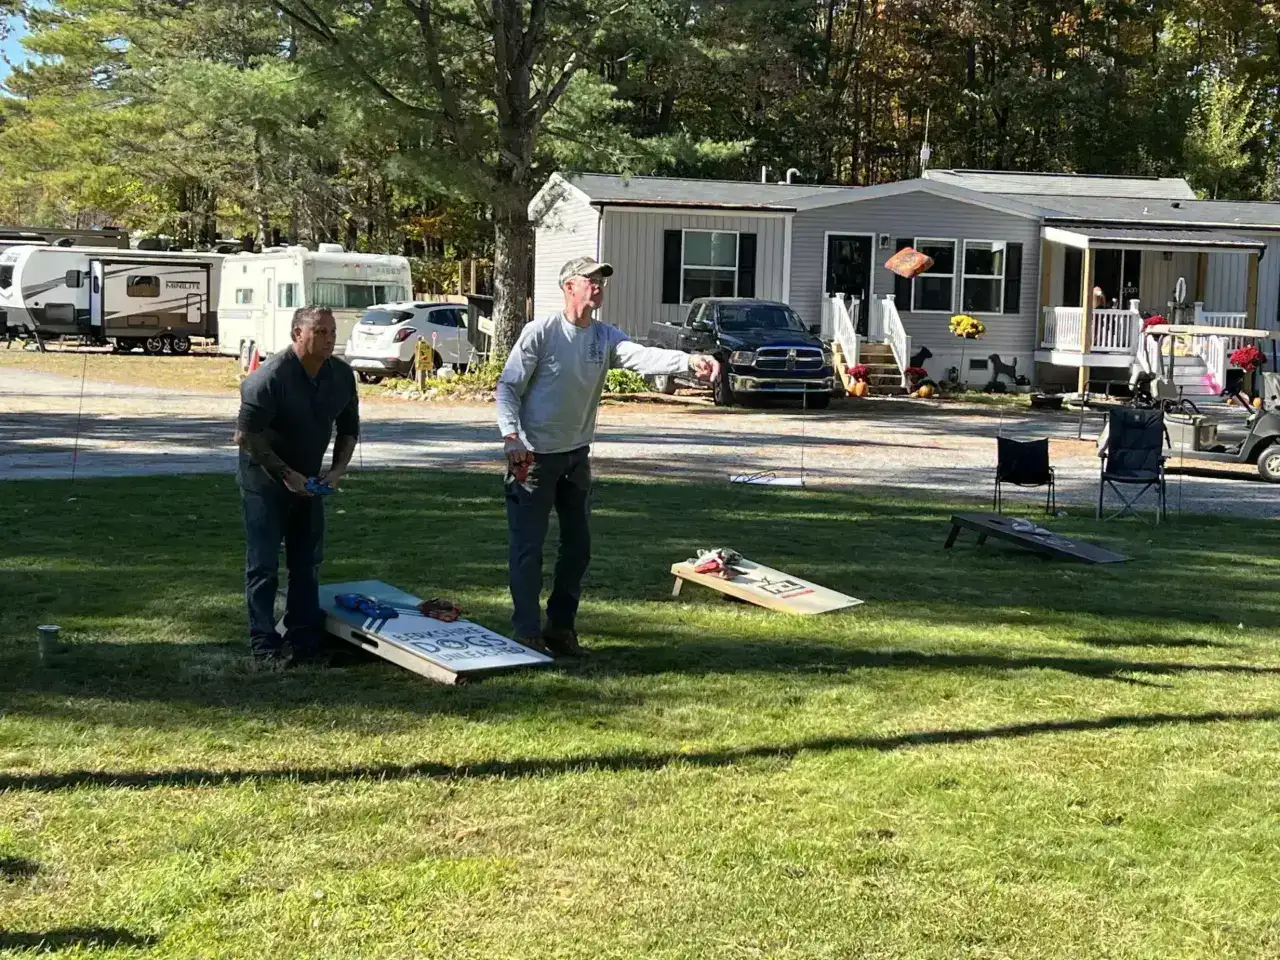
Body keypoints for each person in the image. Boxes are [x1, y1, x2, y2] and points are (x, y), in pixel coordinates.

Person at [497, 256, 718, 656]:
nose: (599, 286)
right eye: (591, 279)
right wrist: (511, 438)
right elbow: (509, 387)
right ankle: (527, 632)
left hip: (575, 458)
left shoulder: (604, 336)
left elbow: (642, 356)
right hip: (531, 459)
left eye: (602, 280)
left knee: (578, 547)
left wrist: (688, 361)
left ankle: (560, 629)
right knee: (528, 549)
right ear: (569, 286)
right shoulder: (541, 332)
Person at [235, 306, 359, 664]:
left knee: (307, 562)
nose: (329, 338)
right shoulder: (270, 377)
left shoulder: (341, 375)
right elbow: (245, 436)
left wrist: (336, 471)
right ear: (297, 335)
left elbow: (349, 429)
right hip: (265, 481)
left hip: (311, 480)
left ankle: (304, 641)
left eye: (332, 331)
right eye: (319, 331)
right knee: (263, 565)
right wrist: (285, 473)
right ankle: (264, 645)